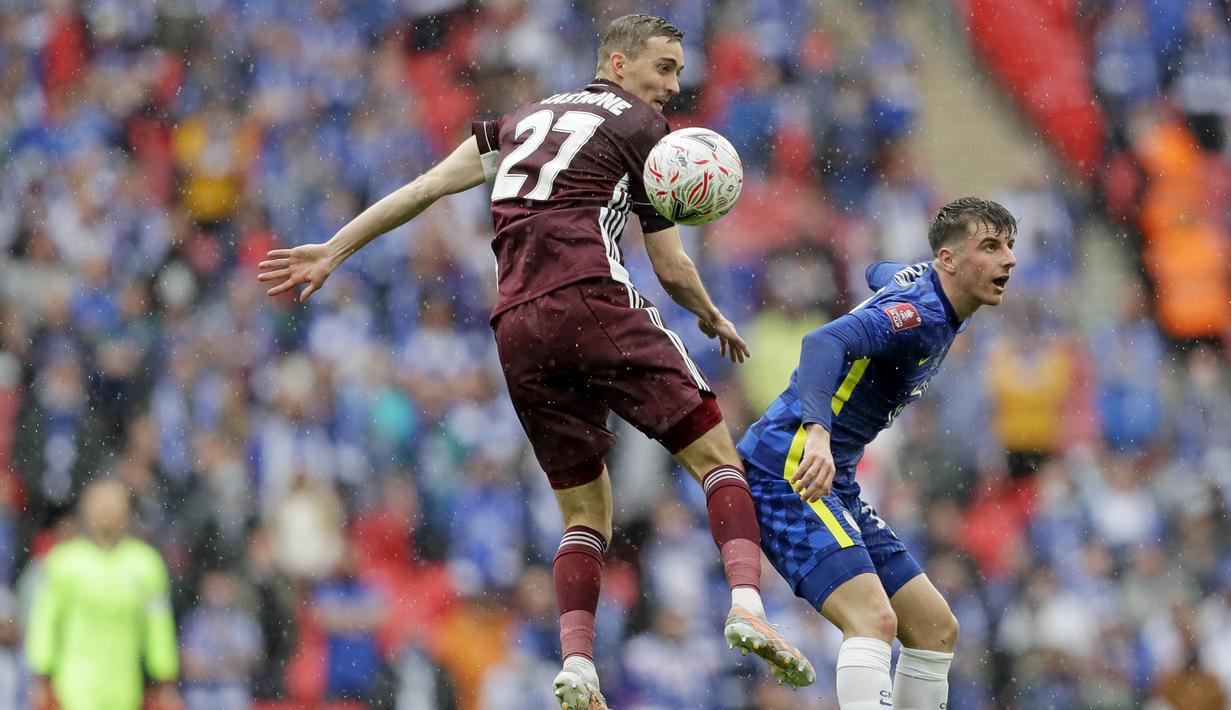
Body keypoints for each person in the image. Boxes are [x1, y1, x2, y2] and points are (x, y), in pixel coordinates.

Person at [257, 12, 814, 709]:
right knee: (716, 457)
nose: (674, 85)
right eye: (663, 68)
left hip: (517, 326)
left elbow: (424, 188)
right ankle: (746, 605)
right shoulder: (644, 131)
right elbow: (668, 266)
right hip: (593, 297)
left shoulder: (518, 122)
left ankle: (576, 664)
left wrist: (333, 249)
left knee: (584, 515)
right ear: (616, 64)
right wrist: (709, 314)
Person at [736, 197, 1017, 709]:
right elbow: (823, 343)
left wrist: (897, 276)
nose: (1009, 260)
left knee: (935, 629)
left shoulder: (937, 292)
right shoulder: (923, 316)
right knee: (873, 620)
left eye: (1010, 247)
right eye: (992, 247)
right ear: (949, 260)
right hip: (792, 465)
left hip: (834, 478)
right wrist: (818, 431)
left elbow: (875, 271)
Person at [25, 478, 183, 710]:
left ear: (128, 511)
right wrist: (41, 675)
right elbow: (45, 621)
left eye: (114, 504)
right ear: (85, 509)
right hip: (74, 686)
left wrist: (164, 678)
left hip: (126, 686)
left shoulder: (146, 564)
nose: (107, 511)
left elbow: (158, 624)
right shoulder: (63, 562)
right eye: (100, 504)